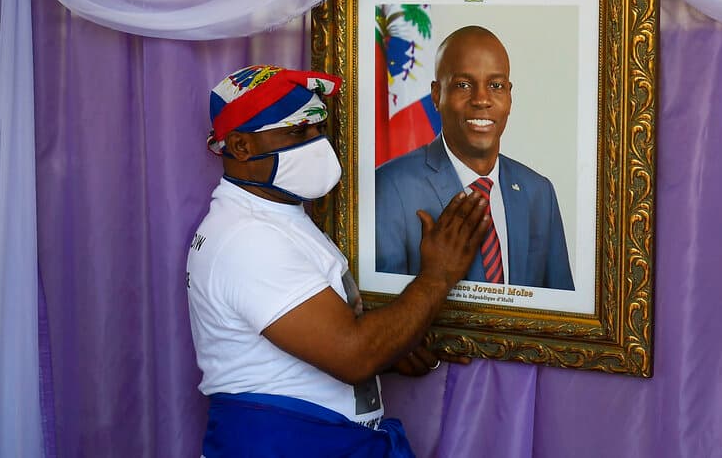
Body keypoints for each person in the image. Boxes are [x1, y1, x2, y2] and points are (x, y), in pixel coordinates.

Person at [186, 64, 490, 457]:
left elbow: (307, 351)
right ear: (241, 146)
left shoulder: (275, 217)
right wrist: (437, 276)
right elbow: (353, 354)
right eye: (298, 131)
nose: (317, 142)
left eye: (318, 129)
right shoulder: (248, 238)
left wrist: (392, 350)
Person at [375, 26, 575, 290]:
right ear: (437, 95)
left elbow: (559, 310)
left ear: (510, 96)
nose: (482, 100)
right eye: (463, 85)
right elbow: (382, 316)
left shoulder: (539, 192)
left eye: (496, 85)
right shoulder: (389, 188)